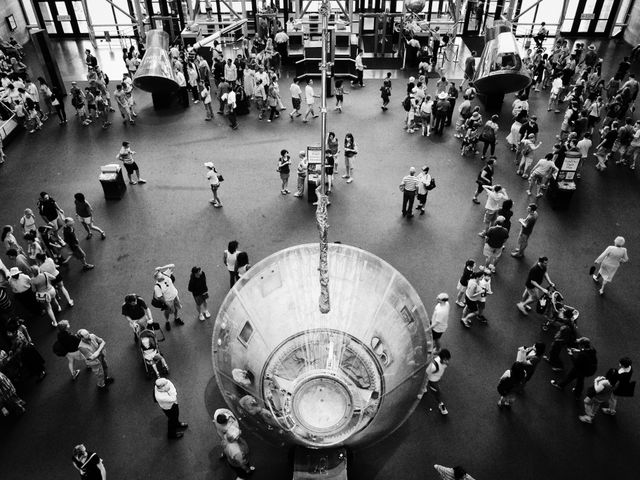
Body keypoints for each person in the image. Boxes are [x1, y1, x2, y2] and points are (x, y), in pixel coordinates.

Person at [418, 349, 451, 415]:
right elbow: (425, 374)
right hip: (433, 381)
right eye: (445, 360)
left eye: (448, 359)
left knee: (434, 389)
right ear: (441, 358)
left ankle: (424, 388)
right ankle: (441, 405)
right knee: (438, 393)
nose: (447, 361)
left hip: (437, 377)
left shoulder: (441, 359)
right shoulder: (433, 366)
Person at [153, 264, 183, 329]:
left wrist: (162, 267)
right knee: (168, 311)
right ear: (158, 279)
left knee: (176, 308)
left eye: (162, 274)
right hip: (168, 301)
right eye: (161, 277)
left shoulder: (165, 274)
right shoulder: (157, 286)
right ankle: (167, 321)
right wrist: (166, 303)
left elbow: (173, 265)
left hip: (175, 296)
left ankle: (176, 318)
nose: (163, 277)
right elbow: (160, 297)